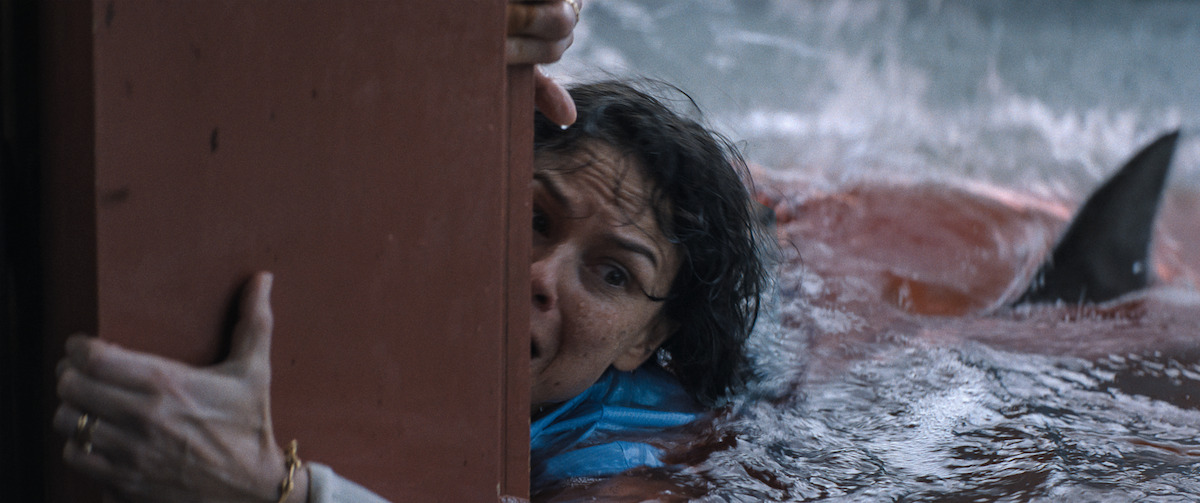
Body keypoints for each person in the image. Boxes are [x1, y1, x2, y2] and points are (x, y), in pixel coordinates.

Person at [52, 8, 770, 503]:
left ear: (646, 339)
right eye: (533, 218)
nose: (537, 275)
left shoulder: (631, 465)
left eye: (613, 273)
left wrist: (274, 488)